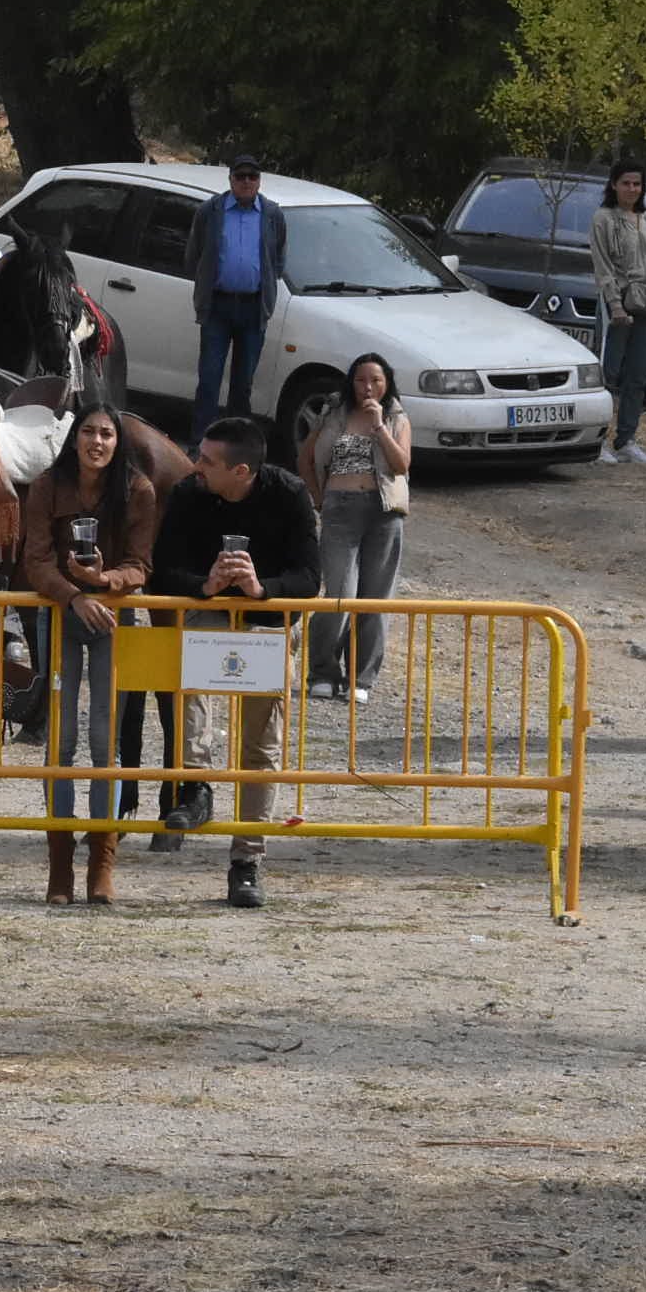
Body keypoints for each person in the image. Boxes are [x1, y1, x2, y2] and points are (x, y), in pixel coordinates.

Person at [148, 416, 320, 909]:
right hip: (207, 612)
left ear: (241, 470)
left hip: (268, 625)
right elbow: (162, 574)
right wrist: (205, 585)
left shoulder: (288, 494)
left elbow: (310, 577)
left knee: (260, 748)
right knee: (190, 671)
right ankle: (196, 784)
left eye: (207, 460)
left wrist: (261, 588)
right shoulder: (188, 493)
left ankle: (247, 861)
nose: (196, 465)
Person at [18, 401, 160, 906]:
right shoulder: (45, 486)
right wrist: (76, 595)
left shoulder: (137, 491)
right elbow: (34, 559)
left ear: (118, 442)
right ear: (73, 439)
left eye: (106, 434)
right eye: (88, 433)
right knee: (62, 741)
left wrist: (105, 583)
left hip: (113, 619)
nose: (96, 442)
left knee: (106, 742)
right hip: (59, 614)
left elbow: (141, 565)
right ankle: (60, 869)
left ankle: (102, 862)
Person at [304, 355, 411, 700]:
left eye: (376, 381)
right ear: (351, 383)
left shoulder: (395, 416)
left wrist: (379, 427)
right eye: (361, 380)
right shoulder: (334, 413)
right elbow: (306, 457)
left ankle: (361, 679)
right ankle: (322, 671)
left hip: (383, 512)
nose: (368, 388)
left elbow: (400, 465)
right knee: (339, 595)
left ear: (387, 384)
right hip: (340, 508)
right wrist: (320, 498)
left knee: (375, 599)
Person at [185, 155, 288, 439]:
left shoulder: (272, 214)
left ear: (259, 181)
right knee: (209, 380)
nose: (246, 182)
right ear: (230, 179)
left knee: (242, 385)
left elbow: (277, 259)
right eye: (240, 176)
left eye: (252, 177)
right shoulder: (210, 211)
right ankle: (200, 444)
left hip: (253, 308)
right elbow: (194, 255)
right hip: (218, 306)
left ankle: (236, 447)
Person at [587, 160, 646, 465]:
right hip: (619, 302)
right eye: (625, 183)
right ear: (614, 184)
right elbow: (603, 265)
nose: (631, 189)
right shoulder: (604, 218)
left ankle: (626, 439)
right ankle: (596, 439)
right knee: (609, 371)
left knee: (638, 373)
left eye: (637, 184)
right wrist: (614, 303)